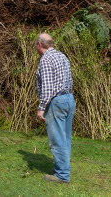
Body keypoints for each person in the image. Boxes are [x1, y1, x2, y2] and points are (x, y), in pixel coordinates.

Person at [35, 33, 75, 183]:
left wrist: (41, 107)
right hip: (69, 99)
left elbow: (47, 87)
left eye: (35, 45)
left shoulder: (46, 59)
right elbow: (69, 80)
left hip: (56, 102)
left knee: (57, 139)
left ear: (40, 44)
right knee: (65, 138)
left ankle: (62, 175)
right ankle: (63, 169)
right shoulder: (62, 56)